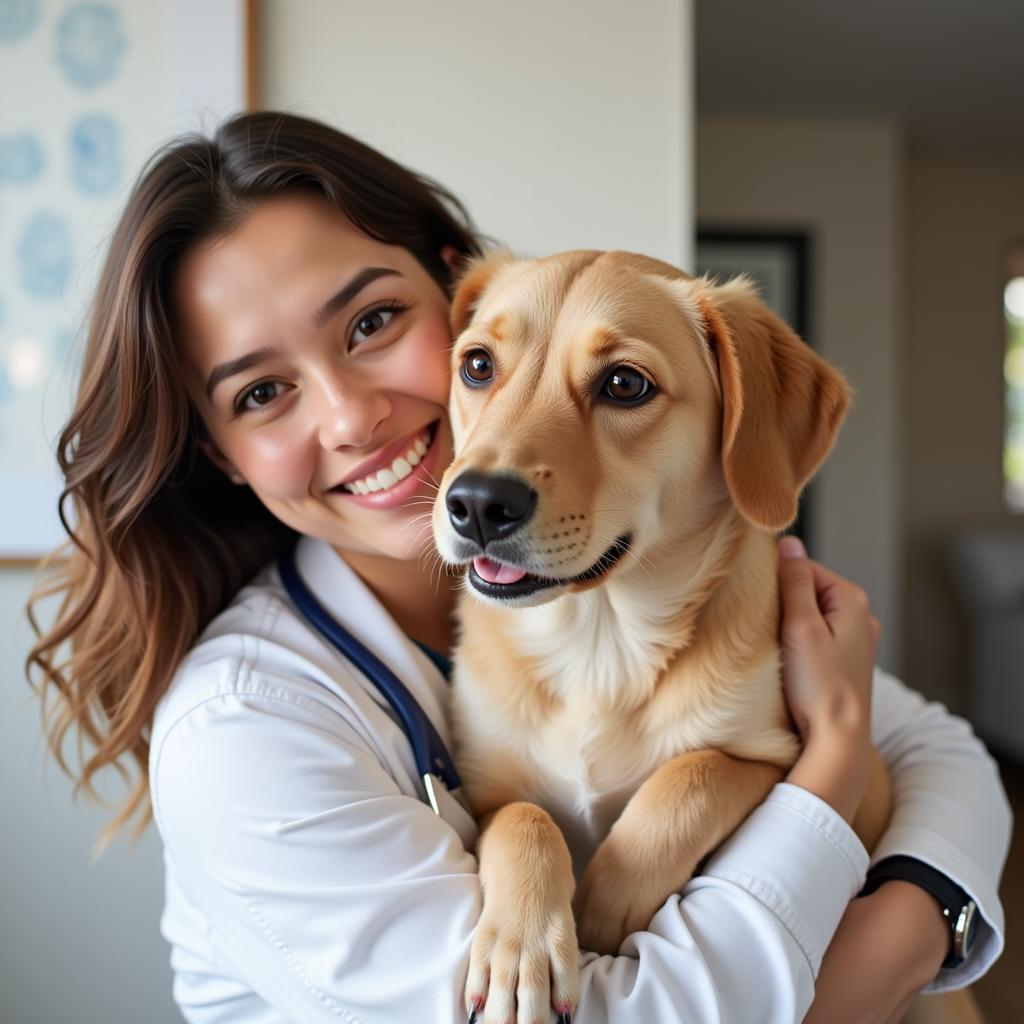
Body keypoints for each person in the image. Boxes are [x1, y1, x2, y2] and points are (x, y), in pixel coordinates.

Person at [28, 111, 1010, 1024]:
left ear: (446, 286)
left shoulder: (718, 592)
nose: (350, 418)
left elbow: (942, 755)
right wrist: (843, 797)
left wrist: (932, 902)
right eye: (262, 392)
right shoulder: (241, 728)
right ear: (219, 453)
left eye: (371, 323)